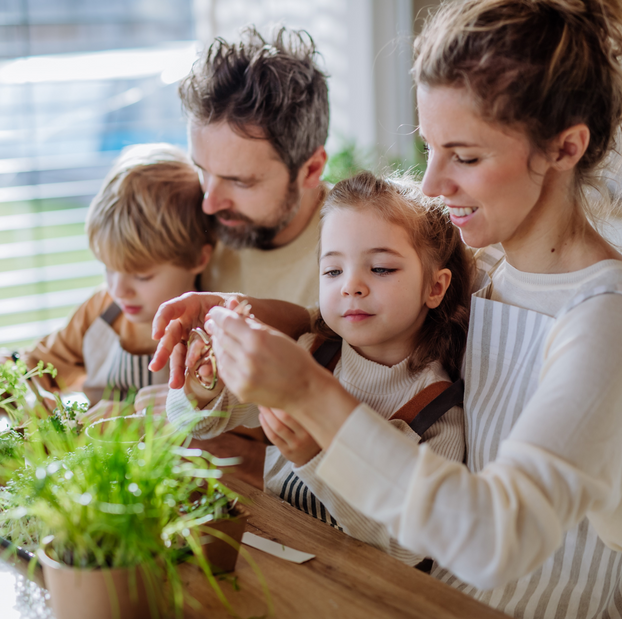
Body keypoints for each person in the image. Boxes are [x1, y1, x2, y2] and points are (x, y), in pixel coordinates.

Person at [152, 0, 622, 617]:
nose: (430, 184)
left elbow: (495, 540)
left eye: (467, 156)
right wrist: (250, 316)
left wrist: (307, 394)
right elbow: (366, 326)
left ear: (565, 148)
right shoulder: (489, 277)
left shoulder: (602, 319)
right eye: (429, 147)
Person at [166, 170, 472, 566]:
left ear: (435, 287)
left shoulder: (436, 410)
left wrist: (315, 457)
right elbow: (196, 424)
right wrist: (205, 382)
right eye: (333, 271)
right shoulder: (309, 355)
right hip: (275, 566)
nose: (351, 286)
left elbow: (409, 548)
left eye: (380, 268)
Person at [20, 143, 214, 411]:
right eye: (109, 269)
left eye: (142, 276)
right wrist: (33, 395)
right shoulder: (102, 309)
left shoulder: (209, 331)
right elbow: (36, 364)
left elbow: (215, 417)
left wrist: (127, 415)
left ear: (197, 259)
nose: (119, 290)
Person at [180, 26, 329, 308]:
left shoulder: (362, 262)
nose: (208, 205)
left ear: (311, 169)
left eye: (240, 182)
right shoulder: (187, 223)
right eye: (202, 170)